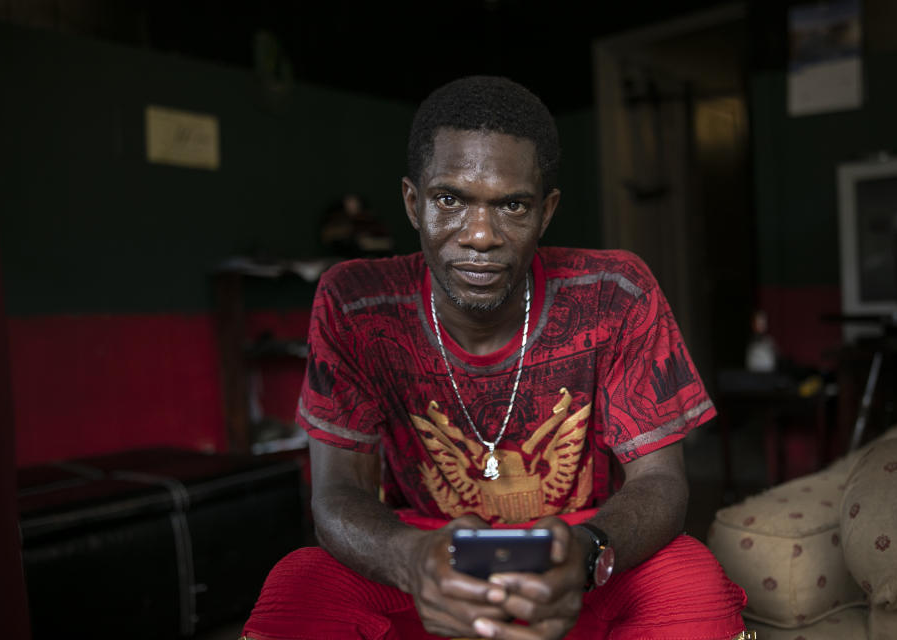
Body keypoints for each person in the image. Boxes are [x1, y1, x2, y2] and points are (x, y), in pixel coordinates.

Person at [242, 75, 747, 640]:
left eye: (511, 205)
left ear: (546, 211)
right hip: (424, 550)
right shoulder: (356, 303)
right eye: (450, 200)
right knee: (301, 583)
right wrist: (410, 561)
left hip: (574, 549)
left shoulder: (614, 292)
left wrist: (585, 553)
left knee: (689, 577)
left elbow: (662, 483)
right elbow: (336, 493)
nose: (480, 235)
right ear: (413, 202)